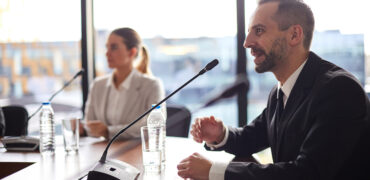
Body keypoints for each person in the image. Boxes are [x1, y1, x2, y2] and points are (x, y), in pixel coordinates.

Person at [177, 0, 370, 179]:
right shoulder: (280, 91)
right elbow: (251, 138)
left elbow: (307, 173)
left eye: (259, 31)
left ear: (294, 35)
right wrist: (221, 134)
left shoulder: (339, 90)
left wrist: (215, 171)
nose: (247, 43)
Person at [83, 27, 166, 140]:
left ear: (132, 52)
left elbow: (154, 124)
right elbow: (89, 124)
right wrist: (82, 128)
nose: (107, 53)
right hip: (102, 151)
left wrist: (108, 131)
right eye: (107, 47)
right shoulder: (98, 85)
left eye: (114, 48)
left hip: (134, 151)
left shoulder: (152, 85)